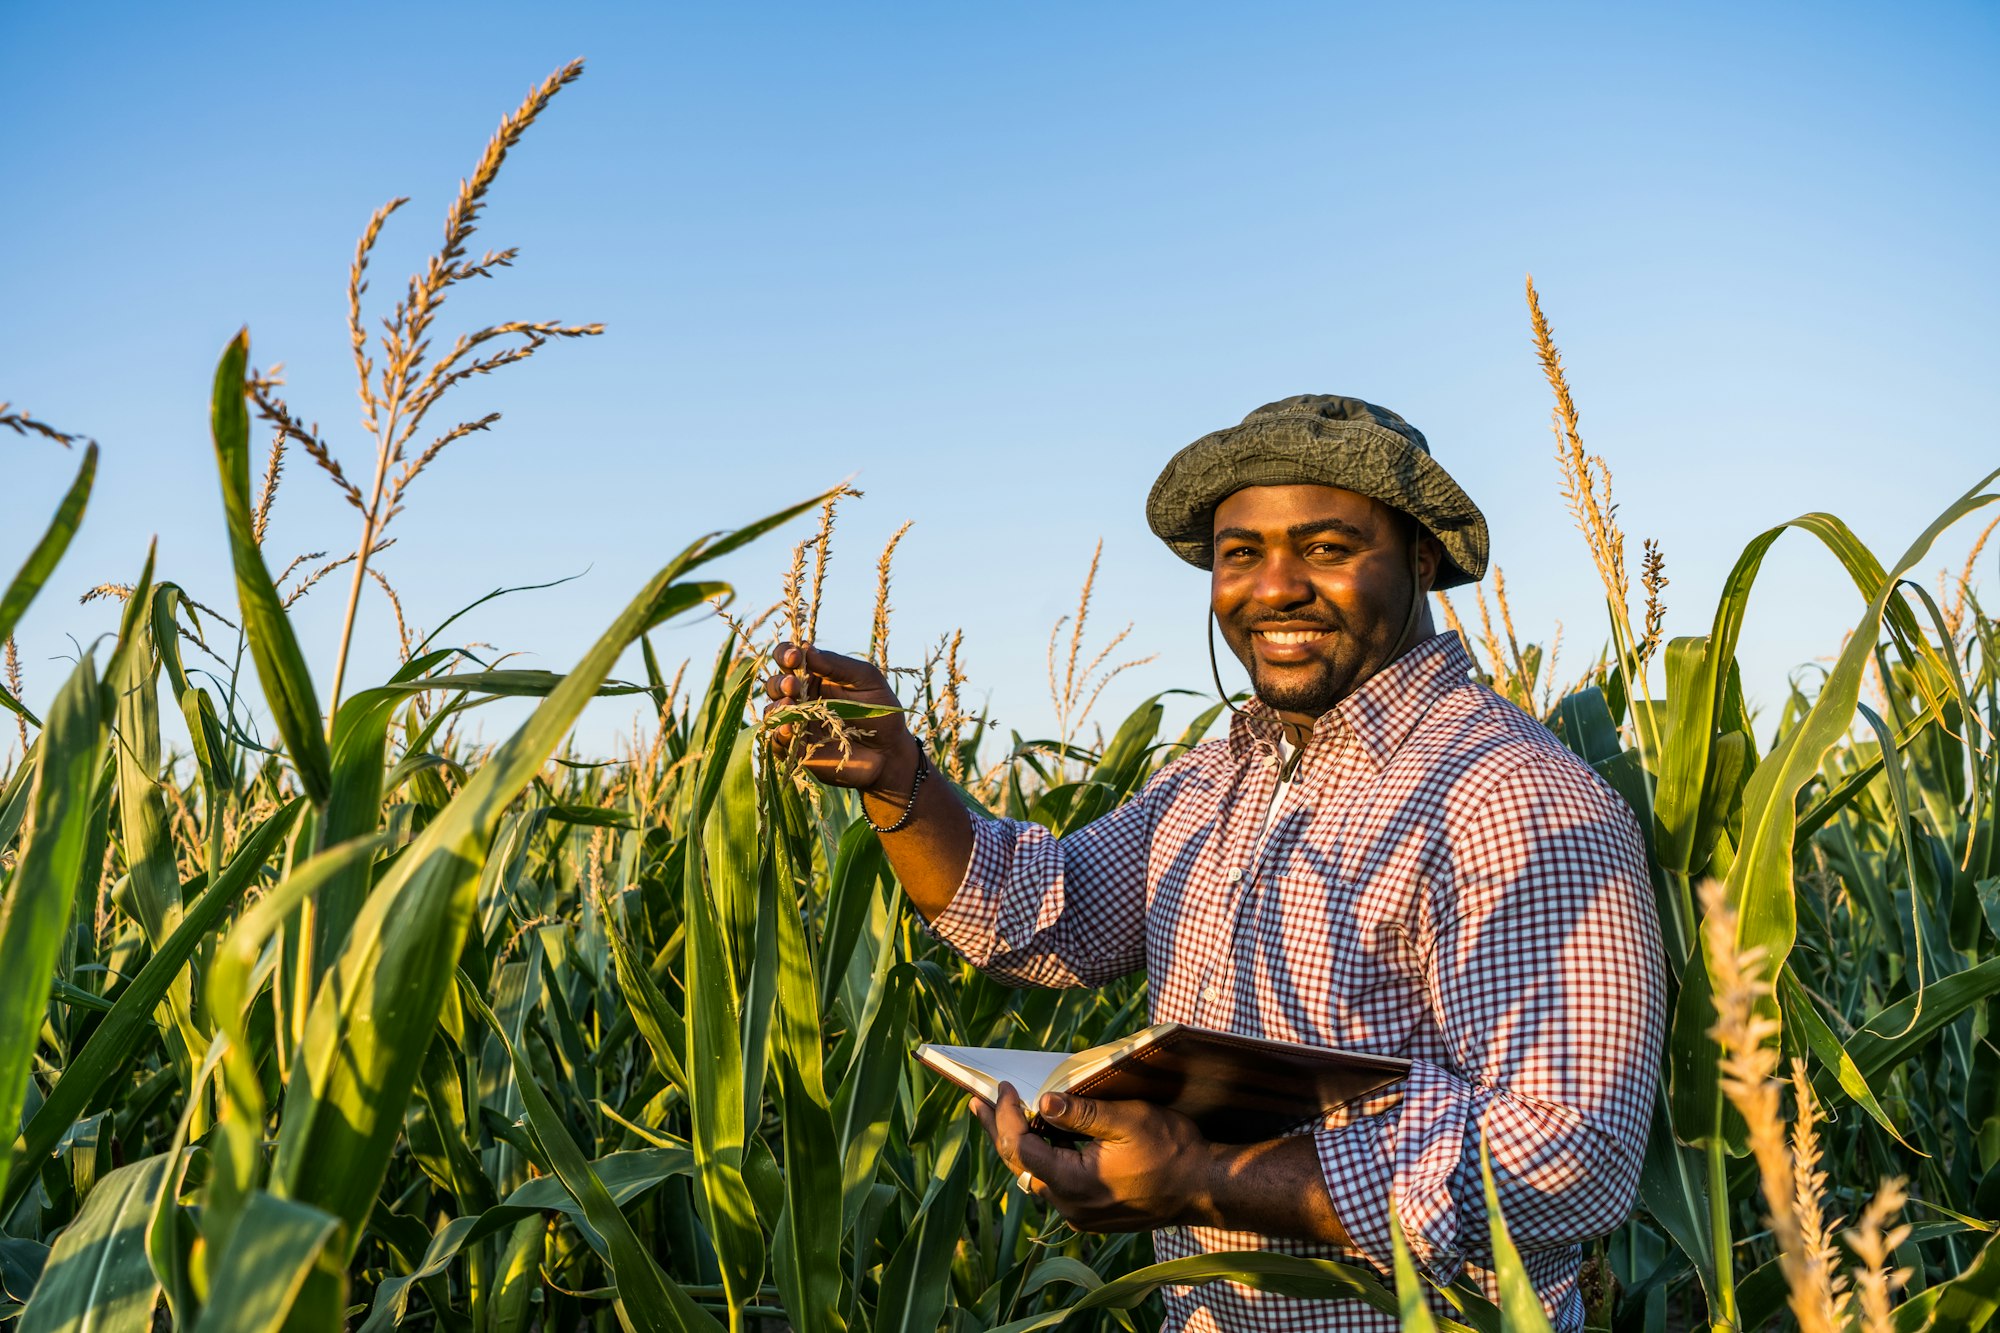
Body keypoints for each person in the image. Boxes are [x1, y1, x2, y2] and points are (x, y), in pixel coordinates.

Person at [762, 394, 1666, 1331]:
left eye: (1326, 547)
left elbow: (1572, 1155)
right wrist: (896, 774)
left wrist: (1204, 1178)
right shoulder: (1218, 772)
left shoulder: (1511, 795)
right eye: (1241, 553)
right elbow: (1038, 914)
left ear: (1420, 558)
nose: (1272, 588)